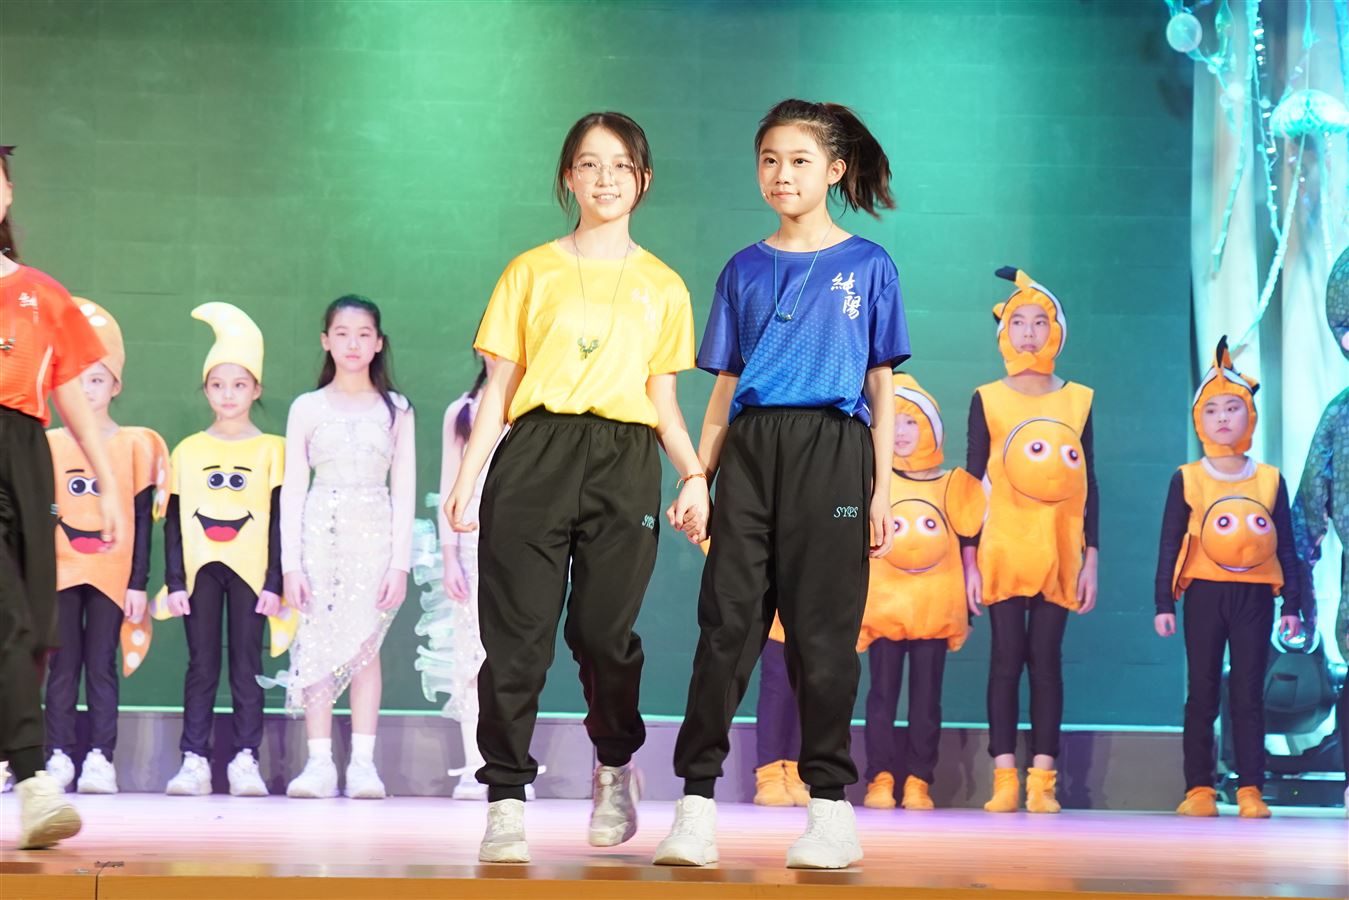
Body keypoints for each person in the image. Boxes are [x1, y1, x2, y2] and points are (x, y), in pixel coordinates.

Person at [653, 98, 909, 871]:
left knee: (824, 635)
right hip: (752, 453)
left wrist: (881, 490)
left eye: (798, 160)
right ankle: (695, 809)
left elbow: (882, 387)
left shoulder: (869, 265)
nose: (781, 174)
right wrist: (697, 477)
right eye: (768, 160)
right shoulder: (742, 269)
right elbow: (724, 389)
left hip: (834, 453)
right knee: (725, 628)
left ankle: (829, 812)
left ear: (834, 170)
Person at [445, 111, 702, 863]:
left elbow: (663, 403)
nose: (604, 179)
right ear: (568, 177)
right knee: (515, 639)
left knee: (601, 635)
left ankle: (615, 765)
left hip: (625, 460)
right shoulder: (529, 271)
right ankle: (504, 799)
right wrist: (467, 476)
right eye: (589, 164)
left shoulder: (664, 285)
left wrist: (693, 474)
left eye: (620, 166)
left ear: (643, 180)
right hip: (535, 455)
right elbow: (499, 389)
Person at [0, 145, 126, 848]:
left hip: (24, 451)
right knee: (11, 617)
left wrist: (107, 484)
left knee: (34, 628)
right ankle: (34, 780)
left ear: (8, 193)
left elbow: (70, 393)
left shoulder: (43, 295)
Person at [1155, 336, 1308, 818]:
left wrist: (1292, 604)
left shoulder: (1269, 479)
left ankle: (1250, 788)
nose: (1222, 417)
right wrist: (1163, 602)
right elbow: (1170, 542)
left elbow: (1286, 545)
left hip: (1255, 596)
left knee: (1247, 692)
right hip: (1204, 593)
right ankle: (1199, 787)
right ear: (1198, 420)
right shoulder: (1187, 478)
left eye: (1232, 408)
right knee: (1201, 691)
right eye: (1212, 409)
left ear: (1250, 416)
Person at [964, 266, 1097, 815]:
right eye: (1017, 321)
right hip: (1001, 547)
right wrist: (969, 561)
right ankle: (1003, 779)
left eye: (1038, 322)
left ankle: (1044, 780)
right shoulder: (987, 398)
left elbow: (1090, 483)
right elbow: (971, 481)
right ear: (1003, 331)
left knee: (1046, 661)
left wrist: (1092, 558)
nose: (1028, 332)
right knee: (1004, 660)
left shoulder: (1078, 400)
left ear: (1056, 330)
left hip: (1059, 549)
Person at [275, 295, 415, 801]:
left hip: (374, 535)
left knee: (363, 648)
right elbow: (293, 488)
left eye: (363, 334)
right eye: (342, 333)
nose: (352, 344)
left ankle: (362, 765)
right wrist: (290, 565)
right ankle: (318, 764)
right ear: (326, 341)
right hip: (320, 533)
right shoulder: (306, 408)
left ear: (378, 343)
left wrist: (399, 564)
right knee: (315, 644)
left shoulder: (396, 409)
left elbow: (405, 488)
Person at [44, 300, 168, 795]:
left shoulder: (133, 445)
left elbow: (141, 519)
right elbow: (42, 512)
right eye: (76, 380)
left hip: (111, 574)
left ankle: (100, 756)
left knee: (100, 664)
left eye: (97, 379)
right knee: (61, 665)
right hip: (60, 572)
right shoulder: (50, 444)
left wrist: (138, 582)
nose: (87, 389)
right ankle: (57, 753)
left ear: (116, 385)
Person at [163, 303, 283, 798]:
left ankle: (245, 758)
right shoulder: (188, 450)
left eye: (238, 384)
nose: (228, 394)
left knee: (247, 665)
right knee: (202, 664)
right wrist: (174, 581)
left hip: (253, 573)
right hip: (201, 573)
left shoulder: (272, 449)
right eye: (217, 384)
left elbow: (279, 521)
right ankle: (193, 758)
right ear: (206, 389)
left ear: (256, 389)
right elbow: (174, 520)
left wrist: (275, 581)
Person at [860, 374, 984, 811]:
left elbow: (970, 531)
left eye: (911, 422)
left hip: (933, 611)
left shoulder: (950, 484)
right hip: (886, 609)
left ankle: (918, 779)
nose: (901, 432)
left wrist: (972, 581)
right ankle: (880, 777)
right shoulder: (872, 482)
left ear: (931, 428)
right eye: (893, 421)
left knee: (927, 700)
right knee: (881, 696)